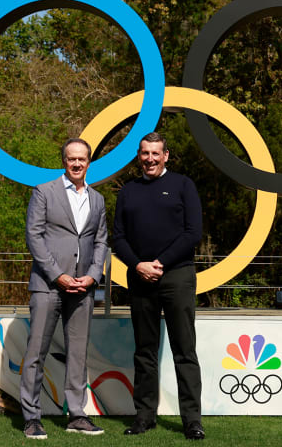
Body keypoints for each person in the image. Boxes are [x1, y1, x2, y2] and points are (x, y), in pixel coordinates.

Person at [112, 132, 204, 440]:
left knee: (184, 350)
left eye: (156, 153)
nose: (150, 158)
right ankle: (144, 416)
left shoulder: (183, 185)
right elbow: (118, 238)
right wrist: (138, 264)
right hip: (139, 278)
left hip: (177, 275)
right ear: (138, 156)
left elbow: (193, 233)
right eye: (145, 153)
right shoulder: (128, 191)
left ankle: (192, 420)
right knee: (145, 351)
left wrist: (159, 262)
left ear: (166, 156)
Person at [20, 138, 108, 439]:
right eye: (72, 158)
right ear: (64, 160)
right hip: (47, 286)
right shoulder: (44, 192)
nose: (77, 163)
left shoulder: (97, 199)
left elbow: (100, 241)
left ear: (88, 161)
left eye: (82, 159)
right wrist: (57, 275)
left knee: (78, 354)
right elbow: (34, 236)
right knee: (36, 352)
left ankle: (77, 415)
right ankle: (32, 418)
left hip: (83, 288)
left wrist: (94, 275)